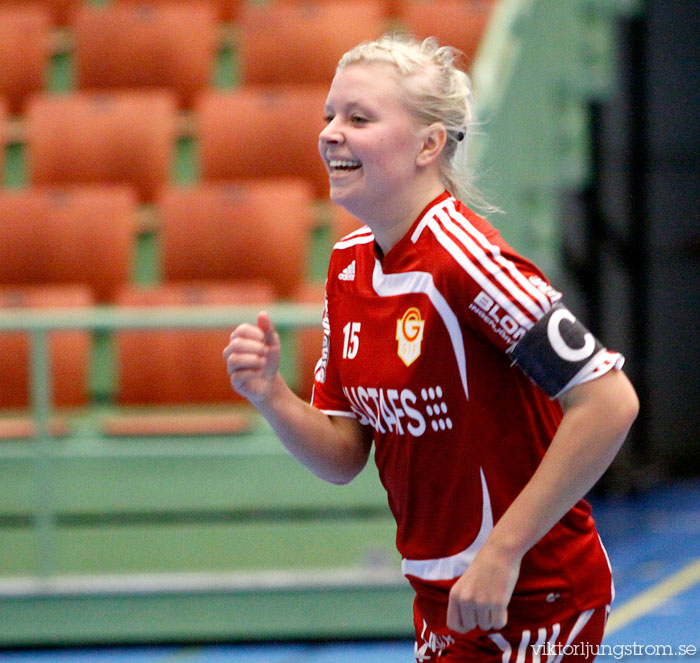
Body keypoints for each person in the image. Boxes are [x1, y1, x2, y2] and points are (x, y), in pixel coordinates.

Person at [223, 33, 639, 662]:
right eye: (329, 115)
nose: (331, 133)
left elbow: (609, 403)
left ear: (427, 144)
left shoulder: (465, 263)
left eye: (359, 118)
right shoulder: (347, 269)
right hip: (441, 599)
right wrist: (271, 395)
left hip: (536, 595)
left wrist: (503, 552)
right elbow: (343, 456)